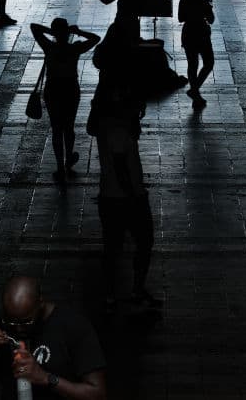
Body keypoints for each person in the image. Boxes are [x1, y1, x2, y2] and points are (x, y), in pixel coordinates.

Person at [90, 24, 158, 311]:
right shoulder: (118, 124)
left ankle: (112, 292)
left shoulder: (108, 117)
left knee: (113, 247)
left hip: (111, 195)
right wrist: (133, 195)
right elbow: (120, 163)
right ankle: (133, 290)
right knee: (142, 241)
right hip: (125, 196)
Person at [0, 276, 107, 399]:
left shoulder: (73, 326)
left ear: (41, 303)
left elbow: (98, 394)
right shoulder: (2, 326)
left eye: (26, 322)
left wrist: (45, 378)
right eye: (12, 322)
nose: (18, 329)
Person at [32, 19, 100, 183]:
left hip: (53, 90)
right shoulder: (74, 49)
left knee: (56, 128)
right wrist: (77, 32)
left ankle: (59, 166)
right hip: (70, 90)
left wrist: (53, 32)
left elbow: (34, 27)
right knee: (69, 127)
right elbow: (95, 39)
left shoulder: (49, 47)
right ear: (68, 32)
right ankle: (68, 158)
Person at [178, 0, 215, 109]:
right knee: (208, 63)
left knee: (192, 64)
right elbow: (211, 20)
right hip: (202, 33)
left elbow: (181, 18)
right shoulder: (204, 0)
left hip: (188, 32)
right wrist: (208, 8)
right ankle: (195, 90)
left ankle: (195, 92)